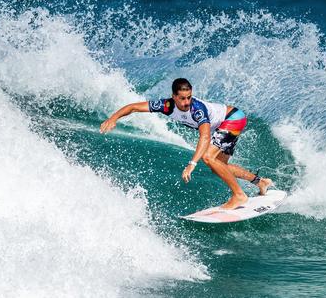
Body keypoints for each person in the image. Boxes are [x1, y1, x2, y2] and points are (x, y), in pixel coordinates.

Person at [99, 78, 272, 209]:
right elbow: (134, 107)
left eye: (189, 97)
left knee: (208, 157)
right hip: (226, 122)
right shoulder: (166, 105)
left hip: (233, 118)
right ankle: (260, 182)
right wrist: (113, 118)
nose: (186, 102)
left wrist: (191, 164)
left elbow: (204, 137)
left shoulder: (197, 110)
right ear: (174, 96)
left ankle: (239, 195)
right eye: (182, 98)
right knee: (217, 165)